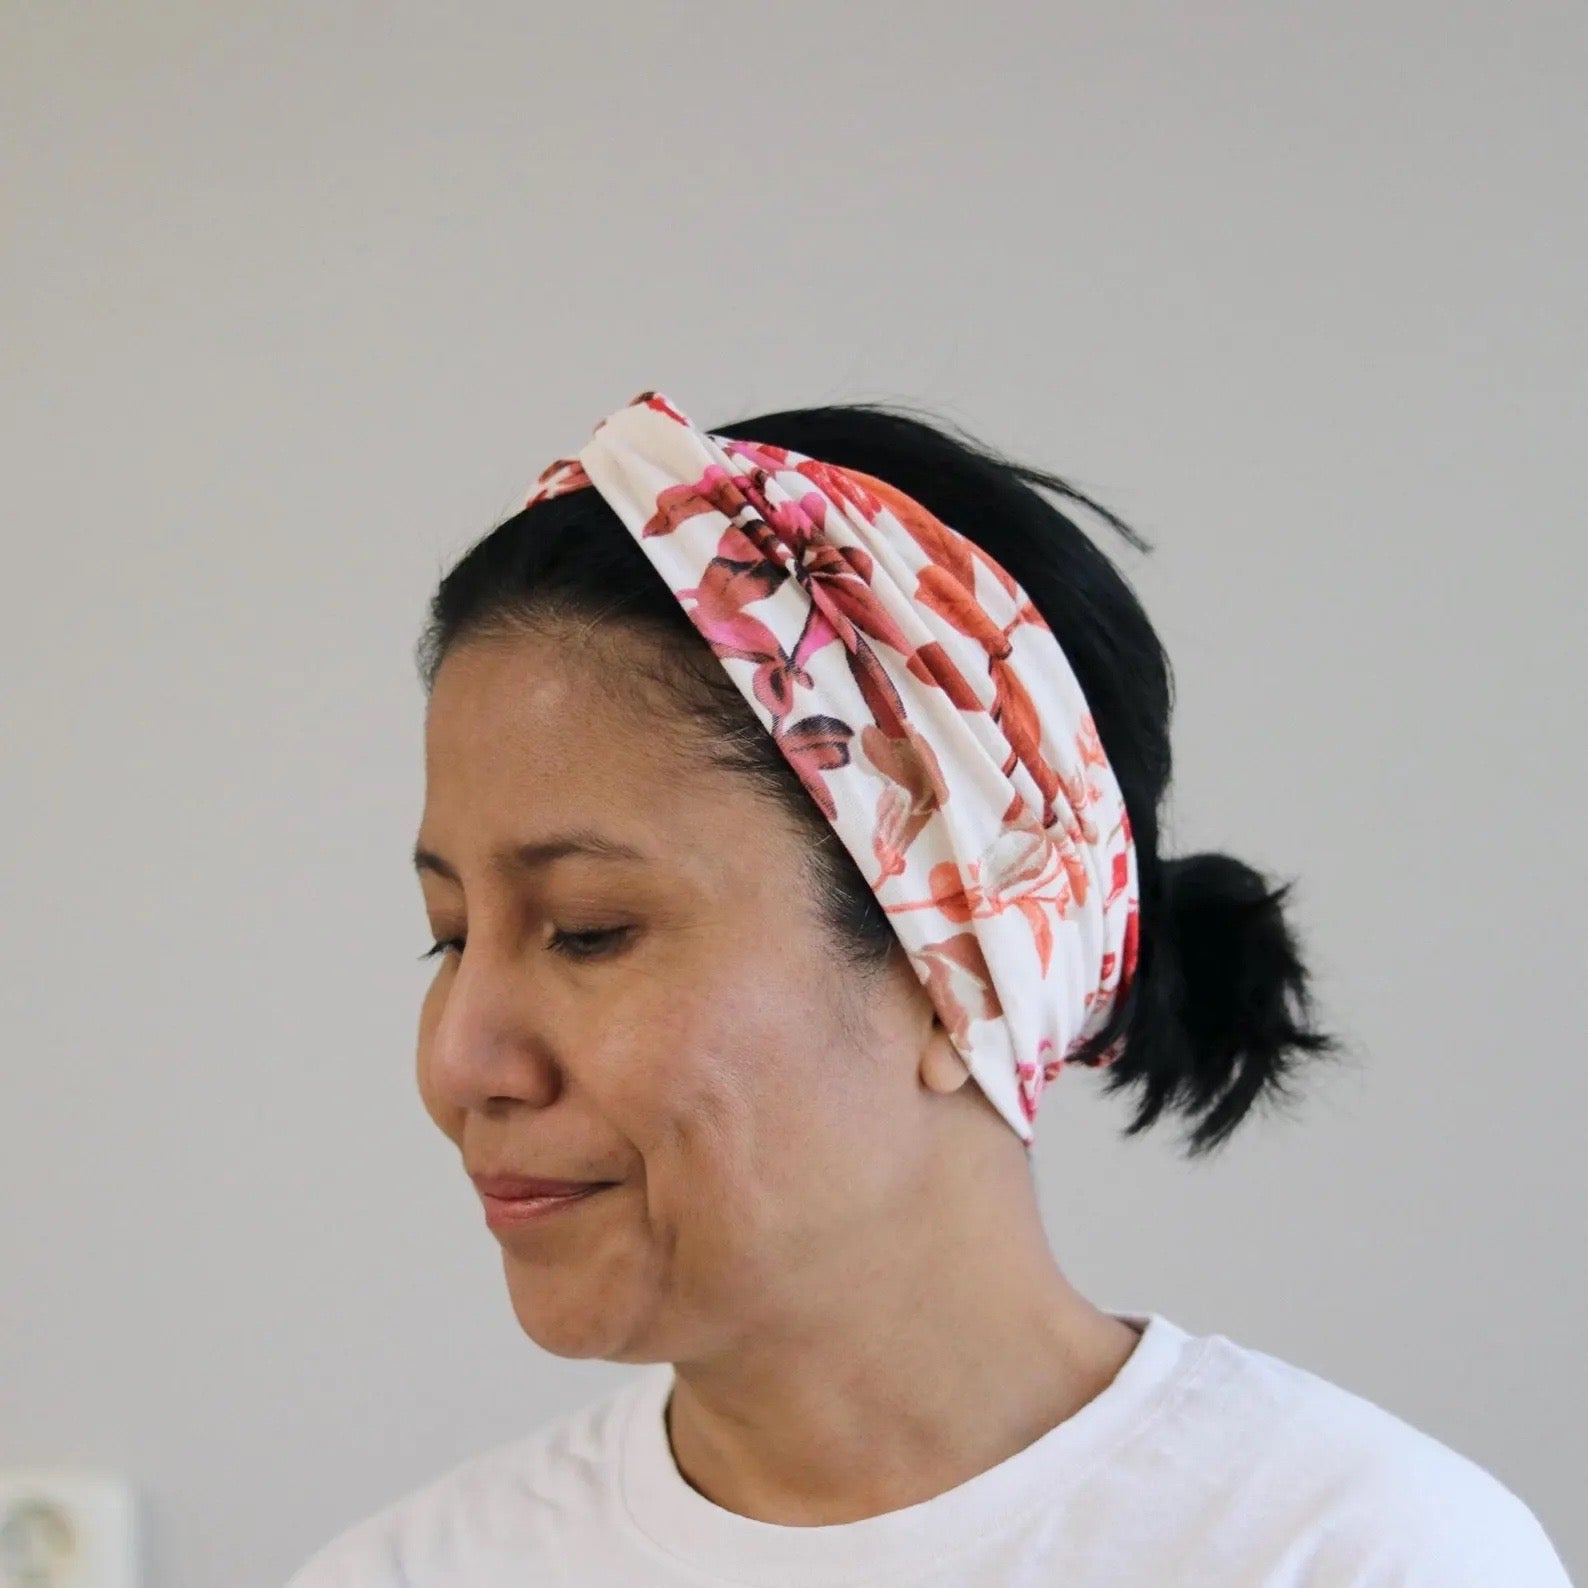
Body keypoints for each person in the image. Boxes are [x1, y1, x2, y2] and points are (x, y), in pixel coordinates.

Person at [285, 390, 1572, 1586]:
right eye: (449, 935)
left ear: (955, 951)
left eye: (587, 930)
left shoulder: (1358, 1555)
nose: (462, 1060)